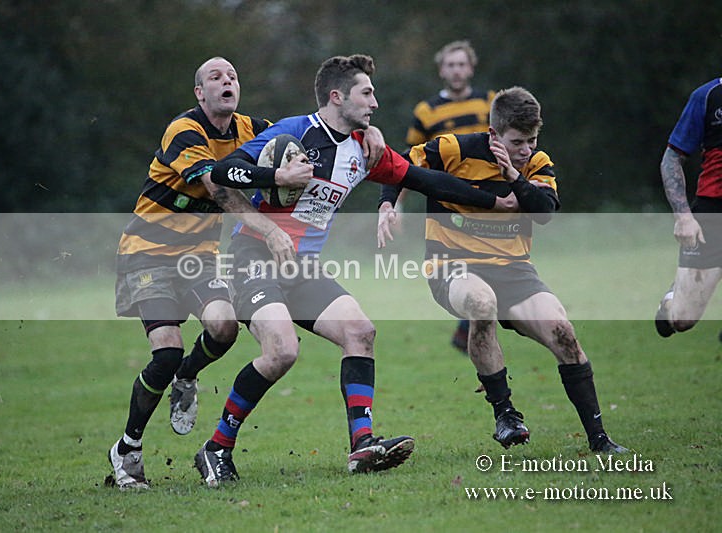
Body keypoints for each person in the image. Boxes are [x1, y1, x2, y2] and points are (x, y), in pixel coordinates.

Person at [197, 54, 517, 487]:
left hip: (302, 267)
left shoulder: (363, 149)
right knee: (282, 351)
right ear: (337, 97)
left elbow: (426, 179)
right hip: (251, 258)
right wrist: (276, 177)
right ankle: (216, 447)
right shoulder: (295, 130)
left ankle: (363, 444)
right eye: (367, 93)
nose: (375, 103)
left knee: (360, 332)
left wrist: (494, 202)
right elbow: (222, 171)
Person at [378, 86, 627, 454]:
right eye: (516, 142)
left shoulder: (535, 163)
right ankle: (505, 413)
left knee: (564, 334)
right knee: (481, 302)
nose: (526, 149)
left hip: (514, 270)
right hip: (452, 265)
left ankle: (600, 440)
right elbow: (396, 166)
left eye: (532, 140)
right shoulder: (453, 149)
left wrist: (514, 174)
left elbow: (544, 213)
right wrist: (388, 206)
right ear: (494, 135)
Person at [107, 56, 305, 490]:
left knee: (223, 327)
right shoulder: (184, 131)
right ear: (200, 92)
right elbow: (219, 188)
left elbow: (305, 136)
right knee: (165, 352)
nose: (226, 81)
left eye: (233, 75)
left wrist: (363, 135)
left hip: (198, 253)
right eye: (215, 77)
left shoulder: (254, 128)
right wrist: (271, 213)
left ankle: (188, 376)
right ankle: (128, 448)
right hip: (148, 253)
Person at [406, 40, 496, 353]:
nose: (456, 70)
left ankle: (466, 328)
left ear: (471, 68)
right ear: (442, 70)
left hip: (489, 199)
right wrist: (397, 202)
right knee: (461, 265)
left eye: (462, 64)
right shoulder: (426, 112)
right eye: (450, 65)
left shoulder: (490, 102)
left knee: (498, 263)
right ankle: (467, 323)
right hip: (448, 201)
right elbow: (410, 160)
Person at [654, 78, 722, 338]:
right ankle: (672, 299)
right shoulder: (707, 96)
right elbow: (671, 159)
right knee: (682, 319)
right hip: (712, 215)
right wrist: (684, 218)